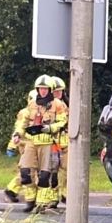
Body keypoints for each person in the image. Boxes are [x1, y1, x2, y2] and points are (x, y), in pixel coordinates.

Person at [19, 75, 66, 213]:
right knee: (25, 172)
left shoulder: (58, 104)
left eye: (45, 89)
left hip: (48, 142)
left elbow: (62, 121)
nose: (43, 91)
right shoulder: (32, 103)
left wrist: (50, 128)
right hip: (32, 141)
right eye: (40, 88)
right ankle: (30, 199)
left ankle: (41, 204)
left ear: (50, 89)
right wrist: (17, 134)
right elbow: (24, 121)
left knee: (45, 176)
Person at [4, 90, 37, 202]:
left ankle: (15, 190)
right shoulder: (25, 113)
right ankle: (12, 190)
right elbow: (18, 130)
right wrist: (11, 146)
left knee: (32, 170)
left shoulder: (39, 111)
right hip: (26, 144)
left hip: (34, 144)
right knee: (28, 170)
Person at [49, 76, 69, 204]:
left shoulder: (68, 105)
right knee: (52, 172)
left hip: (66, 142)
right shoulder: (47, 107)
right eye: (55, 91)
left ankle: (66, 194)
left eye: (60, 91)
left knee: (69, 169)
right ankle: (53, 198)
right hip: (52, 143)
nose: (58, 93)